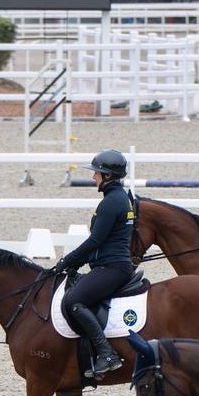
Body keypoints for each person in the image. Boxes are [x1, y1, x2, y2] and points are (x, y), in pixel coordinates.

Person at [55, 149, 137, 380]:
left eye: (97, 173)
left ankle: (106, 353)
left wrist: (66, 261)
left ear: (108, 176)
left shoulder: (111, 202)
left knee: (73, 300)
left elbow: (95, 240)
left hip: (112, 268)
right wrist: (76, 264)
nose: (94, 177)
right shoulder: (120, 198)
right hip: (111, 264)